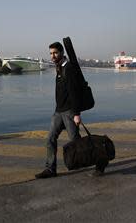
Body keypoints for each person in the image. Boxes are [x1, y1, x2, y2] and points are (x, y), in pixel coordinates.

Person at [34, 41, 84, 179]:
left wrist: (77, 114)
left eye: (55, 53)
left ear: (62, 52)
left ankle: (96, 160)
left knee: (76, 141)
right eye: (50, 53)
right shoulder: (59, 67)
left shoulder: (68, 68)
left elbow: (74, 92)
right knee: (50, 139)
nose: (53, 56)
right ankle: (50, 169)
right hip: (58, 112)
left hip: (69, 112)